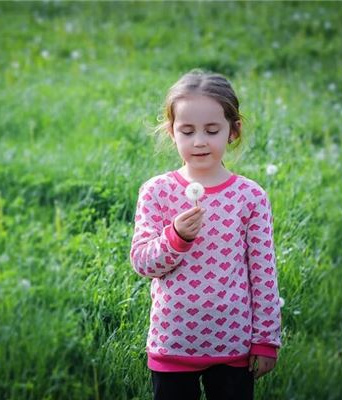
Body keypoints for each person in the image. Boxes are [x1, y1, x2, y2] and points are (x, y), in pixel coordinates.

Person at [129, 69, 281, 400]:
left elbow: (263, 273)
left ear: (233, 131)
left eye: (212, 130)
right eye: (188, 131)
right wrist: (176, 237)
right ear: (172, 132)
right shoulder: (157, 191)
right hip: (173, 342)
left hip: (233, 345)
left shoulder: (250, 196)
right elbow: (142, 262)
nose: (199, 141)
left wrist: (266, 340)